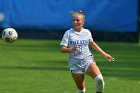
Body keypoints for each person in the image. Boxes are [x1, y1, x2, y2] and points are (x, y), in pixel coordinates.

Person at [60, 11, 114, 93]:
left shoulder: (87, 32)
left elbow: (92, 44)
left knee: (99, 79)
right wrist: (71, 49)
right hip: (75, 64)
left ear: (83, 21)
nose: (75, 22)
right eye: (73, 20)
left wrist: (104, 54)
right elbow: (62, 49)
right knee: (81, 90)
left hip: (87, 60)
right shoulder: (68, 33)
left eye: (77, 20)